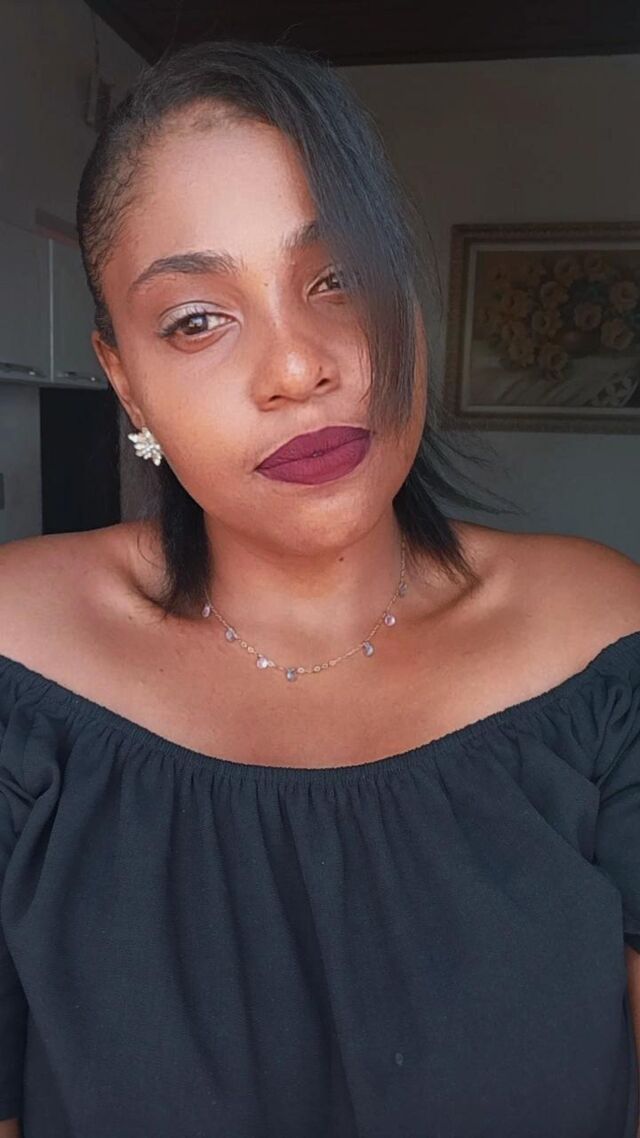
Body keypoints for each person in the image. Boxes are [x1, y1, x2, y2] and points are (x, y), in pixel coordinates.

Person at [0, 38, 639, 1138]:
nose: (297, 367)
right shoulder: (19, 660)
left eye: (337, 278)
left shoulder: (601, 643)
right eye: (196, 319)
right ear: (125, 381)